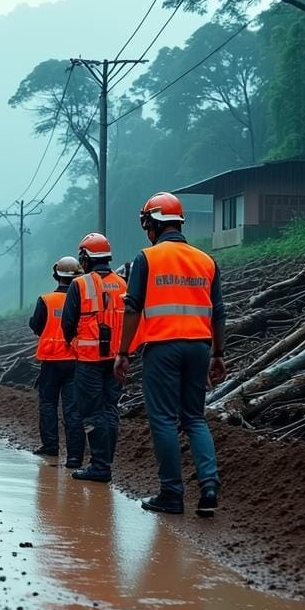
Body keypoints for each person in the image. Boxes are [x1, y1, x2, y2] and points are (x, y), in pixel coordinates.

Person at [115, 192, 225, 517]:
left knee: (163, 418)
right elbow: (219, 312)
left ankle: (172, 494)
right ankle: (208, 486)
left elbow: (133, 307)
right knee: (194, 417)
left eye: (146, 222)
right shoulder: (206, 260)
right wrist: (218, 353)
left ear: (152, 223)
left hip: (163, 348)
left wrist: (123, 351)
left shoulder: (146, 259)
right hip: (200, 347)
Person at [62, 233, 127, 483]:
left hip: (89, 360)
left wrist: (75, 343)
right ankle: (105, 462)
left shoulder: (80, 284)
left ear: (85, 257)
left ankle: (100, 466)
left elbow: (68, 323)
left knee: (91, 412)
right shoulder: (122, 283)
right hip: (116, 358)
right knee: (110, 409)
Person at [28, 256, 85, 465]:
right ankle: (74, 456)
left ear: (56, 276)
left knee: (48, 404)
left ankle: (51, 447)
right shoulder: (81, 299)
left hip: (51, 361)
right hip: (74, 360)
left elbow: (36, 326)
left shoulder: (45, 300)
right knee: (72, 408)